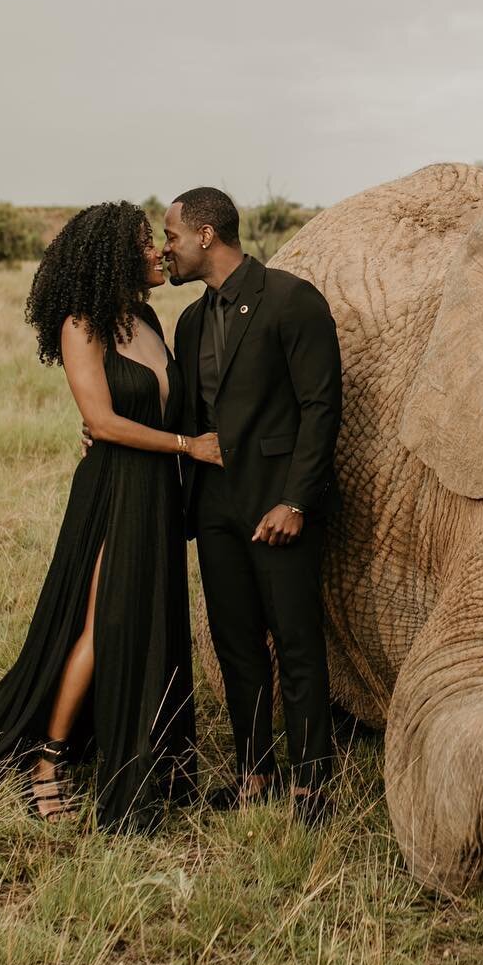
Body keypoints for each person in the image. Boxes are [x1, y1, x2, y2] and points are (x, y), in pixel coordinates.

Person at [0, 202, 222, 828]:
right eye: (146, 243)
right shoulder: (83, 324)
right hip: (114, 489)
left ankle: (143, 751)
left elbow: (149, 409)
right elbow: (102, 421)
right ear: (115, 257)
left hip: (155, 491)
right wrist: (188, 447)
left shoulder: (149, 319)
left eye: (159, 241)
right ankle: (45, 761)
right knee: (103, 623)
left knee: (146, 618)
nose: (157, 252)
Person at [163, 186, 342, 824]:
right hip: (213, 507)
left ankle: (312, 785)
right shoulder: (186, 321)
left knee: (296, 643)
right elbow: (185, 413)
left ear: (206, 234)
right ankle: (253, 774)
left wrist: (296, 499)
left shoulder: (292, 300)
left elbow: (322, 408)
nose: (168, 251)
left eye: (173, 237)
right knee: (236, 643)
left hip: (277, 506)